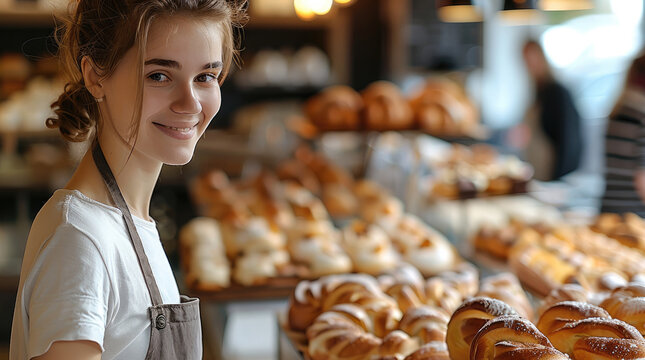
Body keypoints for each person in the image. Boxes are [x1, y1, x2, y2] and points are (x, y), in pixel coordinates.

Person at [10, 1, 246, 359]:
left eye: (205, 77)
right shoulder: (80, 240)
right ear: (94, 76)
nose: (191, 103)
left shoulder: (126, 222)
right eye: (159, 76)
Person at [518, 39, 583, 181]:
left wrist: (557, 179)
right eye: (527, 60)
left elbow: (568, 140)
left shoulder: (557, 93)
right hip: (538, 171)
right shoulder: (537, 91)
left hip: (554, 174)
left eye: (533, 59)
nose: (530, 65)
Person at [601, 51, 645, 216]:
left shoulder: (619, 111)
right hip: (633, 217)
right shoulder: (642, 115)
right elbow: (642, 179)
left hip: (609, 210)